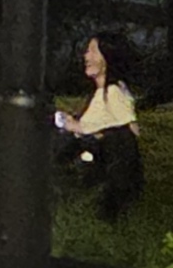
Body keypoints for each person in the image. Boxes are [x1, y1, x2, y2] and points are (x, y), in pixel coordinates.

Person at [60, 32, 144, 220]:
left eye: (93, 51)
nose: (86, 56)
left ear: (107, 58)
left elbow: (126, 128)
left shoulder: (113, 93)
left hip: (109, 179)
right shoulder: (104, 93)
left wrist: (73, 126)